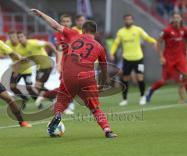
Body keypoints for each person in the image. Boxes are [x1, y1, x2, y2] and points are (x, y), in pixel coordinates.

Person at [31, 9, 117, 138]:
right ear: (95, 32)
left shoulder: (74, 34)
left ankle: (58, 114)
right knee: (95, 108)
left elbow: (55, 25)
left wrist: (42, 14)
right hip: (87, 76)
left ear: (82, 30)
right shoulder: (99, 47)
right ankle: (107, 130)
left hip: (69, 74)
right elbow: (104, 70)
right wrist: (102, 85)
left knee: (61, 99)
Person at [35, 14, 79, 115]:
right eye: (64, 21)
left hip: (74, 64)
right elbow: (59, 50)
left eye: (68, 21)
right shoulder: (59, 35)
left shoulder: (75, 32)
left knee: (69, 86)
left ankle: (44, 96)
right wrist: (59, 63)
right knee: (67, 86)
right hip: (65, 63)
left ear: (71, 22)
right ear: (61, 23)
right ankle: (63, 106)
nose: (66, 23)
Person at [110, 14, 157, 106]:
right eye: (126, 19)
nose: (128, 21)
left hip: (138, 58)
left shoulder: (138, 30)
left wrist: (154, 42)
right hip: (127, 59)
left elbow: (147, 37)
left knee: (140, 77)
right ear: (124, 21)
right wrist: (111, 53)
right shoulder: (121, 32)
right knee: (125, 78)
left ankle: (142, 96)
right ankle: (124, 99)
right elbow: (116, 43)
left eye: (130, 19)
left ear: (132, 20)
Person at [146, 13, 187, 103]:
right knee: (164, 81)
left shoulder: (184, 30)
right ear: (172, 20)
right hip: (168, 58)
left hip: (180, 58)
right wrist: (161, 56)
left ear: (181, 19)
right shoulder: (167, 30)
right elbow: (158, 43)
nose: (176, 19)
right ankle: (151, 90)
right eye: (175, 18)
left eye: (178, 17)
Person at [16, 31, 58, 109]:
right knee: (38, 87)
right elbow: (24, 58)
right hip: (39, 67)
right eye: (18, 37)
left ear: (25, 37)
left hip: (47, 65)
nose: (20, 39)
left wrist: (56, 53)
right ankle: (55, 97)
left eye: (21, 37)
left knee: (37, 85)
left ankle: (54, 98)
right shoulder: (19, 48)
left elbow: (48, 43)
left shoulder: (34, 43)